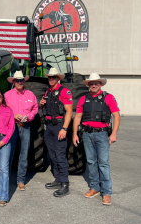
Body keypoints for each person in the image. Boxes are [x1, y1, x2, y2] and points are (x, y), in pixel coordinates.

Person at [73, 73, 120, 205]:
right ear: (88, 85)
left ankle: (106, 192)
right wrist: (75, 134)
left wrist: (114, 134)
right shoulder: (83, 99)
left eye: (96, 83)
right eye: (91, 83)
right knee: (91, 162)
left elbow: (116, 116)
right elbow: (77, 117)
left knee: (103, 163)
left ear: (100, 84)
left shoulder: (109, 97)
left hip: (102, 134)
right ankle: (95, 187)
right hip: (87, 134)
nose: (94, 85)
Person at [39, 68, 73, 197]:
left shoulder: (65, 91)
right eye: (49, 77)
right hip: (49, 127)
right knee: (53, 155)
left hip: (59, 126)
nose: (51, 79)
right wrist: (42, 104)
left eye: (53, 77)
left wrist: (64, 128)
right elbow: (47, 108)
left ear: (58, 78)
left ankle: (65, 183)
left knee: (60, 155)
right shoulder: (47, 92)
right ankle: (58, 180)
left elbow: (69, 111)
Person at [5, 71, 38, 191]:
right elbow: (3, 110)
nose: (19, 82)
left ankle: (21, 180)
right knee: (9, 153)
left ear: (24, 81)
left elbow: (35, 108)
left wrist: (28, 116)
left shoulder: (30, 95)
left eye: (21, 80)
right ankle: (6, 179)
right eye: (17, 80)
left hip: (25, 126)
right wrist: (13, 115)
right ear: (13, 81)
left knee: (24, 155)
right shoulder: (7, 95)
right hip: (12, 127)